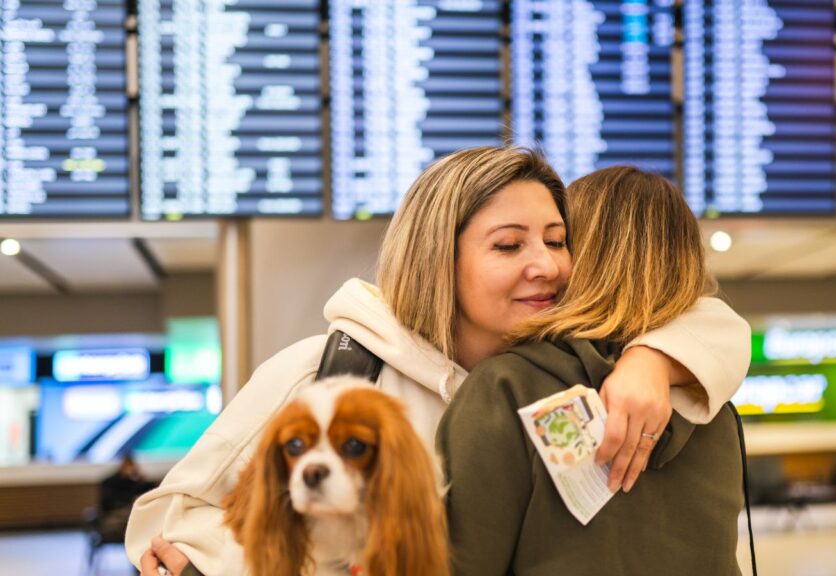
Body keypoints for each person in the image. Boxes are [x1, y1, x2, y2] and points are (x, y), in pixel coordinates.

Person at [128, 147, 751, 576]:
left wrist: (652, 357)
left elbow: (710, 318)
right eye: (509, 245)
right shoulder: (333, 375)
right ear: (436, 258)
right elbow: (171, 518)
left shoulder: (556, 373)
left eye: (559, 241)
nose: (547, 265)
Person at [438, 166, 747, 575]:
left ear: (580, 254)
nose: (545, 262)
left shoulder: (509, 385)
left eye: (556, 240)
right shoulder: (712, 405)